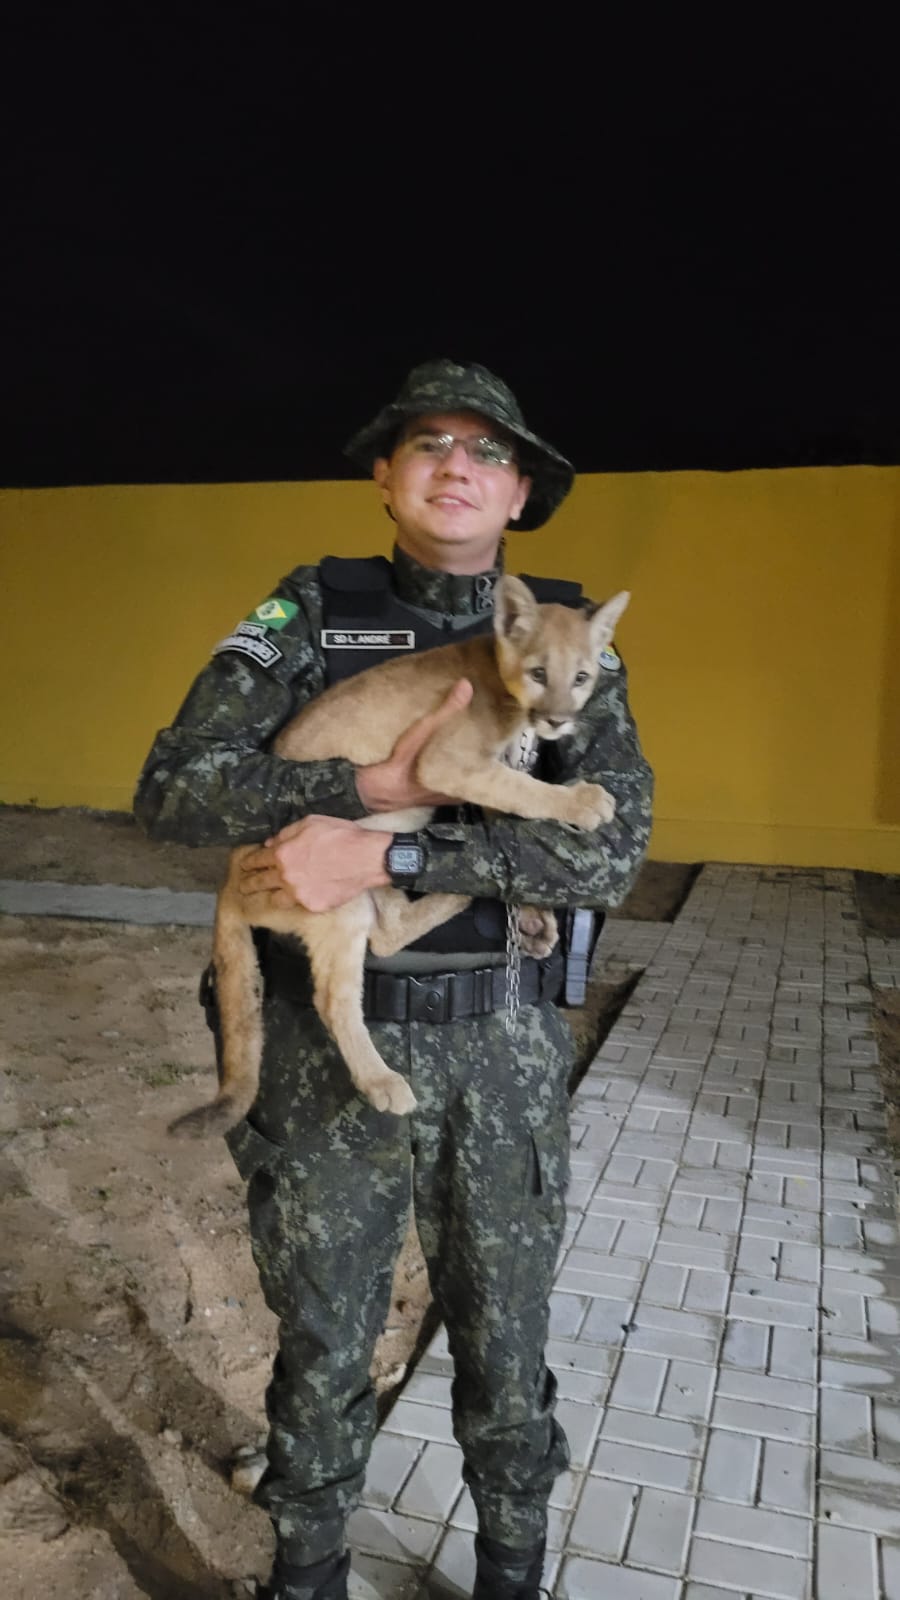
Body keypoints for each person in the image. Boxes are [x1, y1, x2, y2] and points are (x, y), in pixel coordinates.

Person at [135, 360, 653, 1600]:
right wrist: (350, 789)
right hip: (329, 1046)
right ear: (385, 473)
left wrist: (394, 843)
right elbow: (174, 789)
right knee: (321, 1329)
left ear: (521, 489)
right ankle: (307, 1567)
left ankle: (513, 1565)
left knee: (507, 1330)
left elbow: (612, 848)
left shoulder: (572, 638)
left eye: (488, 451)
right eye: (430, 443)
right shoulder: (312, 613)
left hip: (503, 1044)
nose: (458, 465)